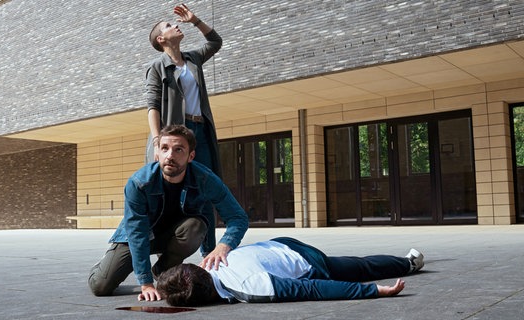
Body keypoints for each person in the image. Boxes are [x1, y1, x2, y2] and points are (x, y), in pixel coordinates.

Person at [88, 125, 249, 301]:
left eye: (178, 149)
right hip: (139, 235)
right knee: (100, 287)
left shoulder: (205, 179)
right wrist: (146, 284)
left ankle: (163, 270)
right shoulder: (139, 183)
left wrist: (222, 247)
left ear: (191, 156)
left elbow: (237, 217)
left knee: (196, 226)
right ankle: (106, 263)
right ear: (158, 151)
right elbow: (137, 232)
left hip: (175, 234)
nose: (170, 155)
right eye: (165, 148)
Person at [156, 237, 425, 306]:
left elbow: (313, 288)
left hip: (307, 261)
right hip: (280, 245)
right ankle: (407, 261)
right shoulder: (206, 264)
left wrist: (374, 291)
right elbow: (175, 281)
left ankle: (408, 263)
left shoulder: (251, 286)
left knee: (359, 268)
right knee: (357, 264)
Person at [145, 3, 222, 179]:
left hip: (200, 130)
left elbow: (215, 42)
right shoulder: (157, 67)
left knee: (206, 179)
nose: (175, 26)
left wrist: (195, 20)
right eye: (168, 26)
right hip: (175, 133)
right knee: (177, 182)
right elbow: (153, 107)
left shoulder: (193, 59)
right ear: (161, 39)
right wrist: (158, 142)